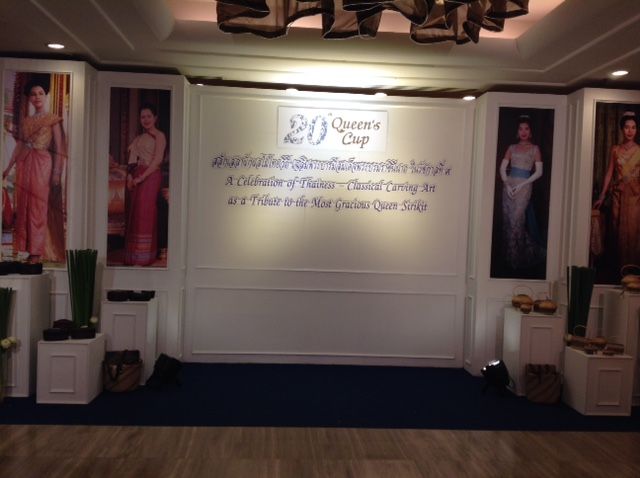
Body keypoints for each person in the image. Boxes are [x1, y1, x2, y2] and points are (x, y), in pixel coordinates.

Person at [2, 75, 66, 263]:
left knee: (39, 205)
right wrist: (7, 168)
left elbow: (60, 148)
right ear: (29, 98)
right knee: (24, 205)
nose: (37, 97)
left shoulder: (53, 119)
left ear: (46, 96)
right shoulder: (26, 121)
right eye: (33, 94)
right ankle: (26, 248)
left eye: (40, 93)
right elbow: (20, 146)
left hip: (43, 163)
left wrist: (57, 173)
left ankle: (38, 251)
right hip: (25, 164)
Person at [593, 111, 640, 268]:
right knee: (616, 231)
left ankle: (632, 269)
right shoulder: (615, 150)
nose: (630, 131)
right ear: (621, 129)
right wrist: (602, 196)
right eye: (627, 127)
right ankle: (617, 269)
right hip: (617, 196)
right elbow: (609, 173)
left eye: (633, 127)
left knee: (633, 232)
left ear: (636, 130)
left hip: (635, 197)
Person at [499, 115, 544, 271]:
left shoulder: (535, 149)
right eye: (520, 129)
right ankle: (508, 258)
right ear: (517, 131)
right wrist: (507, 185)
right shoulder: (511, 148)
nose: (523, 132)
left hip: (524, 187)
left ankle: (517, 259)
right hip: (509, 187)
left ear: (530, 131)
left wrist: (523, 184)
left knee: (517, 221)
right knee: (508, 222)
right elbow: (502, 169)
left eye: (526, 128)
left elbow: (539, 172)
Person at [124, 103, 166, 266]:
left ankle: (145, 256)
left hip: (151, 175)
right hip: (136, 177)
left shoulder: (159, 136)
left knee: (145, 212)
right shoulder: (139, 138)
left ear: (155, 118)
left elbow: (158, 160)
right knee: (135, 213)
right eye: (143, 117)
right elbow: (132, 160)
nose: (146, 120)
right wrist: (130, 177)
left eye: (149, 116)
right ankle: (133, 255)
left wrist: (141, 178)